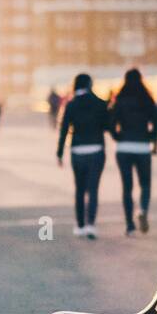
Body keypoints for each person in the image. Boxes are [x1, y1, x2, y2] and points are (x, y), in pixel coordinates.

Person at [108, 68, 157, 236]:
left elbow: (111, 121)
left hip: (124, 147)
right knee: (145, 184)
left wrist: (117, 135)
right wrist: (151, 137)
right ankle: (143, 210)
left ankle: (130, 225)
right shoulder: (146, 99)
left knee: (127, 187)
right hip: (142, 146)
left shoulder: (120, 99)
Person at [57, 73, 108, 238]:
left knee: (79, 189)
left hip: (77, 151)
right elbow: (107, 124)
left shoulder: (71, 104)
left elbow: (64, 129)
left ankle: (79, 225)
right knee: (93, 189)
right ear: (90, 85)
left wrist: (59, 152)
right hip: (96, 149)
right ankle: (91, 225)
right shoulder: (99, 103)